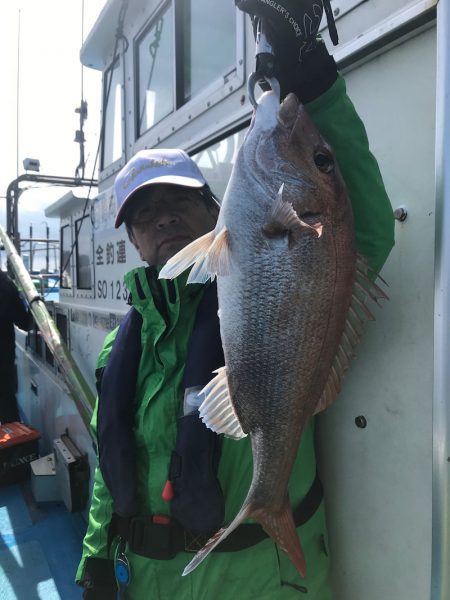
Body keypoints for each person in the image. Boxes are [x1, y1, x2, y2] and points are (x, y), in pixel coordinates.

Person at [76, 1, 395, 598]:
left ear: (212, 210)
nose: (163, 217)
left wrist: (313, 78)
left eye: (179, 201)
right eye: (144, 215)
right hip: (149, 582)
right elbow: (108, 457)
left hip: (258, 581)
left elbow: (364, 234)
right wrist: (96, 556)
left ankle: (265, 509)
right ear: (135, 240)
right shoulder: (124, 342)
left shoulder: (241, 273)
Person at [0, 270, 29, 423]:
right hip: (3, 360)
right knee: (7, 407)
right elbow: (23, 322)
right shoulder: (7, 285)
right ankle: (14, 445)